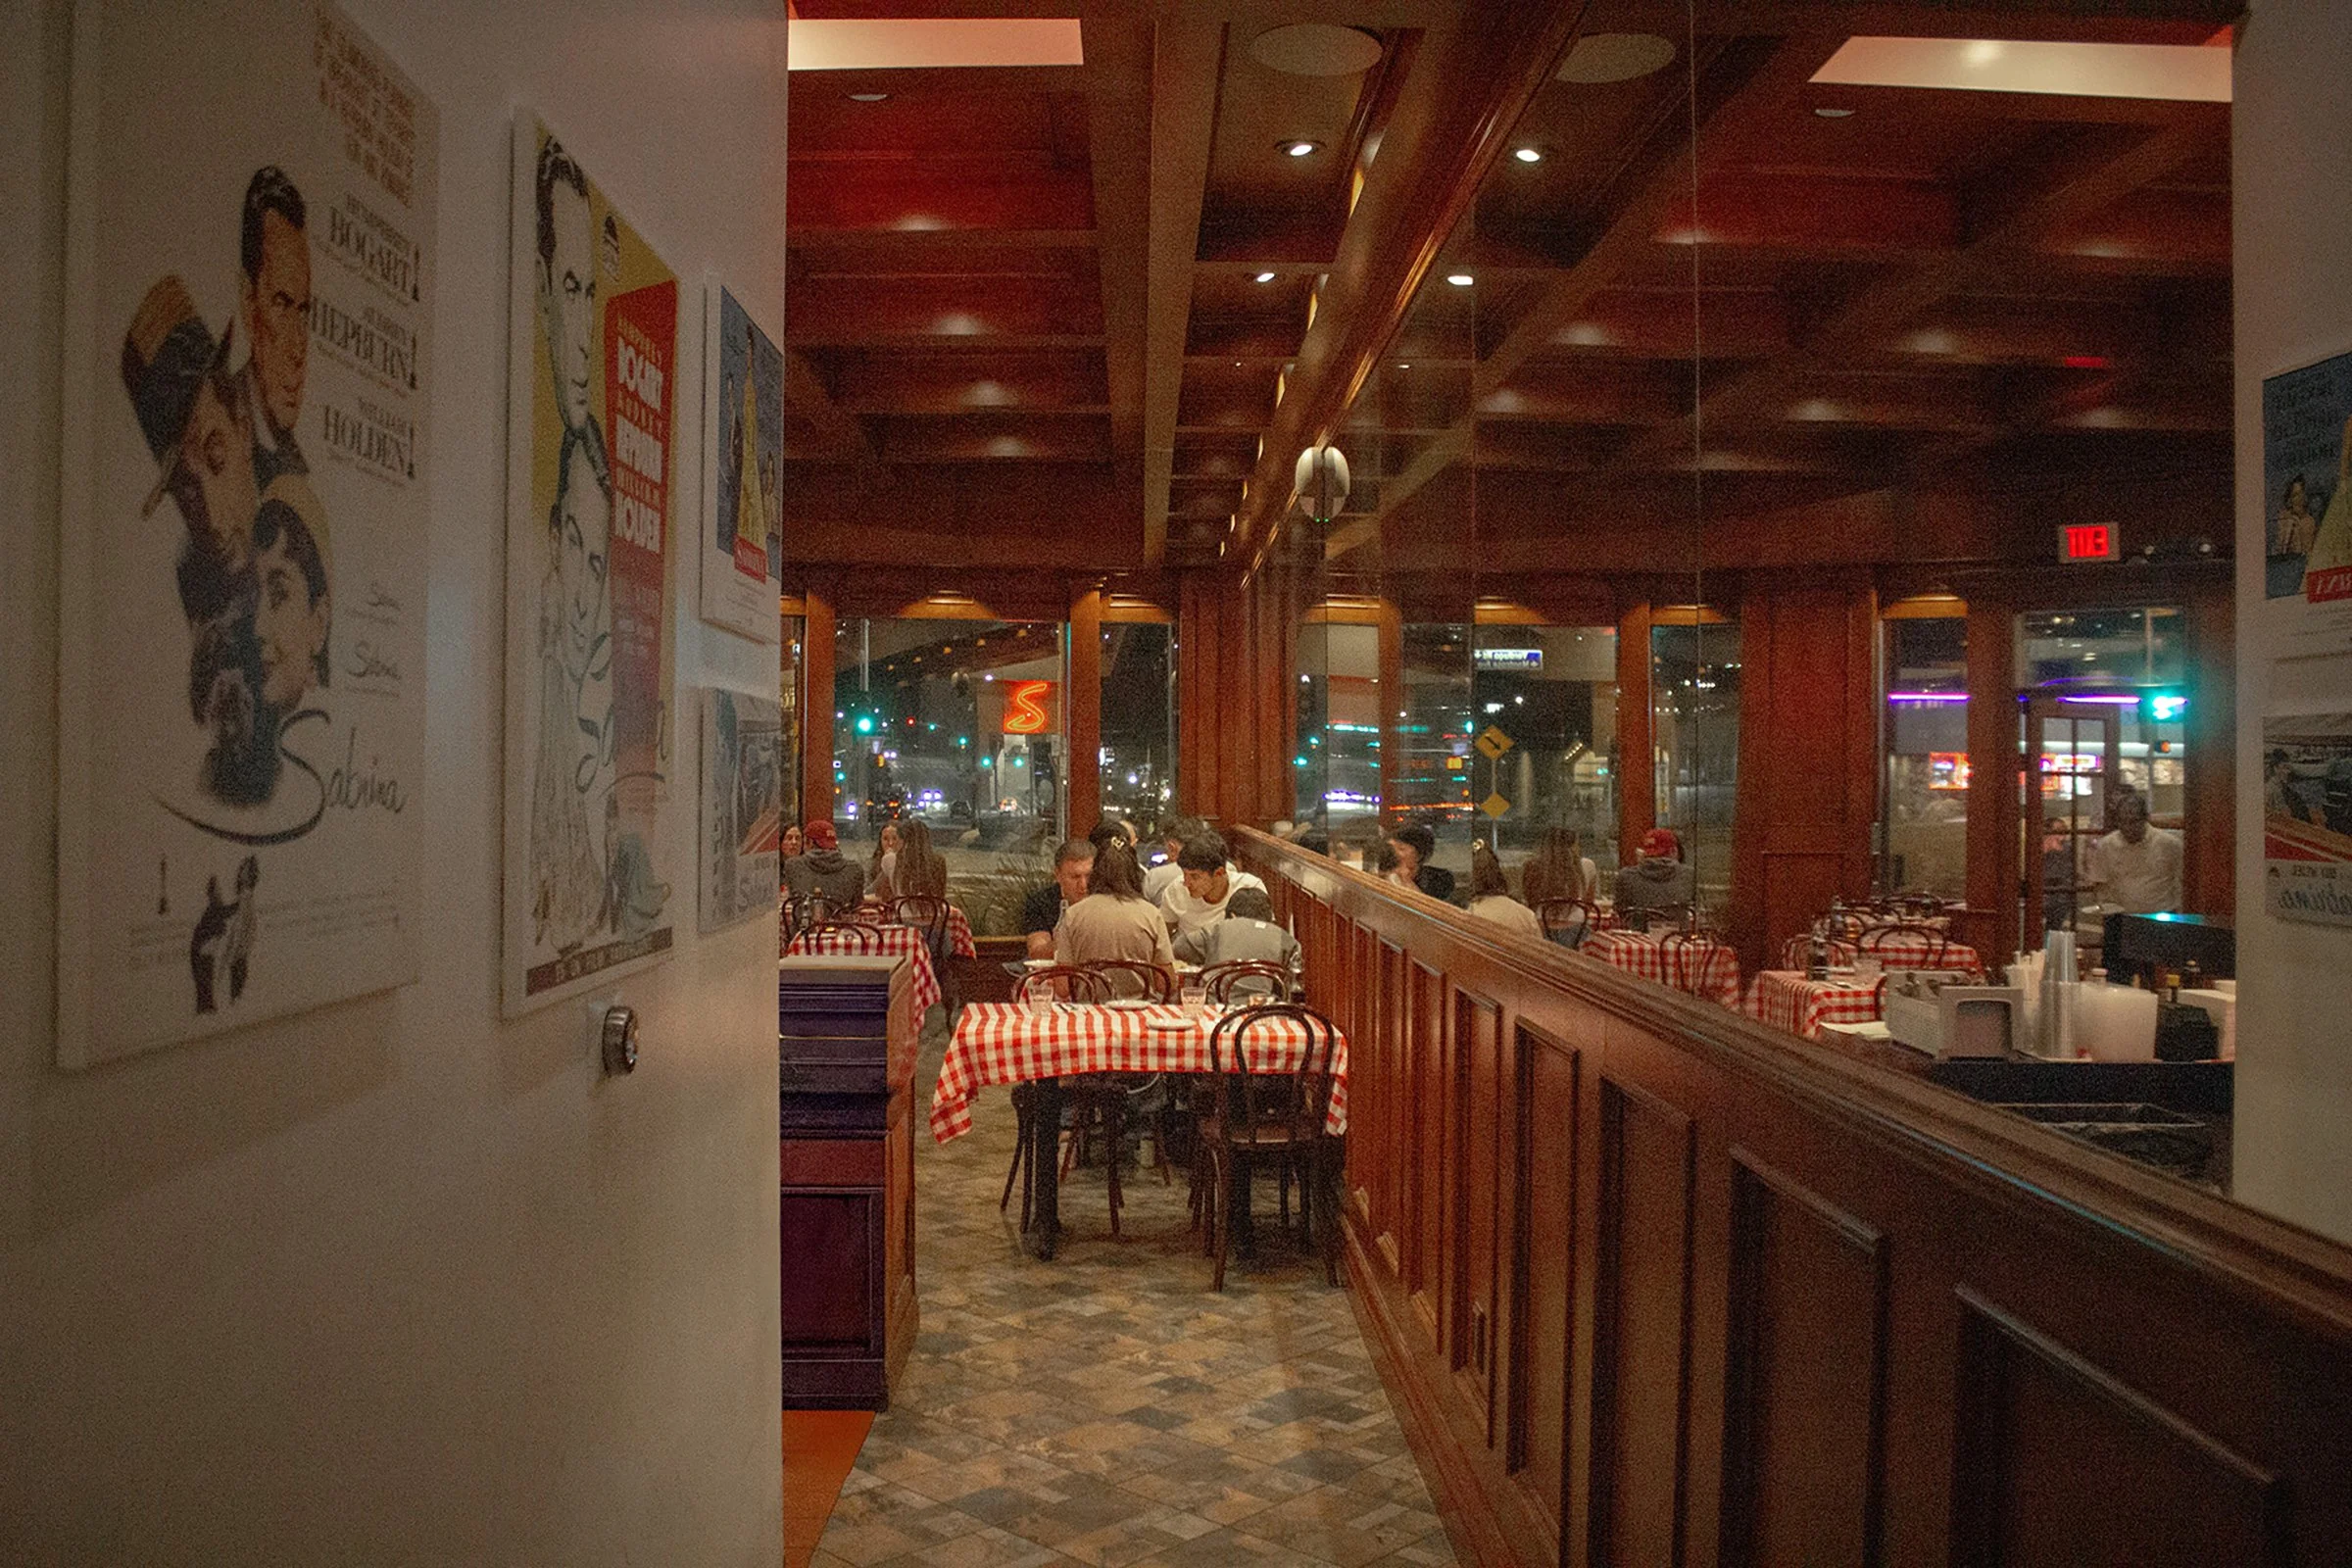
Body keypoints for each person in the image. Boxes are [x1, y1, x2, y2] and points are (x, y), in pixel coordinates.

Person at [236, 167, 314, 495]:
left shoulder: (295, 470)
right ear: (248, 300)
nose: (298, 348)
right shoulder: (222, 439)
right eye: (281, 304)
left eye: (304, 311)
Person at [1054, 841, 1176, 977]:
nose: (1083, 883)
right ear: (1135, 874)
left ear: (1096, 873)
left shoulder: (1073, 915)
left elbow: (1063, 987)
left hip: (1089, 998)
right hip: (1142, 998)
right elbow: (1167, 982)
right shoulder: (1152, 914)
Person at [1174, 886, 1299, 984]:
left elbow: (1178, 948)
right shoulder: (1287, 940)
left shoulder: (1218, 929)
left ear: (1232, 916)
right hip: (1265, 1009)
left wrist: (1211, 956)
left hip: (1218, 1005)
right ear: (1269, 917)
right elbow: (1293, 979)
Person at [2085, 789, 2182, 914]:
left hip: (2161, 914)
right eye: (2123, 821)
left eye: (2133, 822)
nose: (2128, 828)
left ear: (2146, 818)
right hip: (2119, 916)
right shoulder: (2106, 845)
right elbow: (2099, 882)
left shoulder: (2169, 844)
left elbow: (2183, 880)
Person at [1158, 831, 1267, 939]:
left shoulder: (1250, 887)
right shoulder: (1176, 889)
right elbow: (1162, 935)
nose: (1186, 883)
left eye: (1195, 876)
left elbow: (1264, 936)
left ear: (1219, 873)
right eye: (1184, 874)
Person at [1023, 838, 1096, 959]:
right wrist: (1068, 938)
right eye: (1075, 877)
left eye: (1089, 876)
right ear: (1058, 875)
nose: (1083, 885)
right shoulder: (1041, 901)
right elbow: (1037, 953)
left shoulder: (1105, 899)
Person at [1613, 827, 1695, 920]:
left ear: (1643, 853)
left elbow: (1619, 912)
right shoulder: (1689, 875)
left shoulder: (1626, 876)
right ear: (1674, 851)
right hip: (1678, 933)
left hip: (1637, 933)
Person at [1465, 847, 1544, 941]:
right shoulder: (1526, 916)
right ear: (1500, 875)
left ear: (1471, 880)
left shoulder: (1467, 917)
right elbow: (1539, 953)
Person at [782, 819, 865, 908]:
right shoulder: (854, 870)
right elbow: (857, 906)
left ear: (808, 842)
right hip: (842, 922)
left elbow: (792, 903)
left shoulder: (793, 866)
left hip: (805, 922)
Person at [1520, 826, 1599, 907]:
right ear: (1574, 845)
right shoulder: (1588, 865)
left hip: (1540, 917)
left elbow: (1528, 898)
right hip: (1577, 918)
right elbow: (1589, 903)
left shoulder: (1531, 865)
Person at [1386, 821, 1456, 903]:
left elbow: (1429, 910)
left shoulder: (1440, 879)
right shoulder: (1380, 872)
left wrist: (1405, 879)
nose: (1393, 853)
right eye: (1390, 848)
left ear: (1420, 855)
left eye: (1401, 849)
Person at [1141, 815, 1202, 904]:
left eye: (1165, 847)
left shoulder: (1156, 876)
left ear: (1172, 848)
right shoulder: (1223, 871)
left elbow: (1144, 913)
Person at [892, 818, 949, 901]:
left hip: (902, 912)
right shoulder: (939, 861)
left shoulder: (893, 860)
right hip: (935, 912)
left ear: (902, 840)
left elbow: (882, 893)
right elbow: (941, 894)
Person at [866, 819, 903, 899]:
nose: (890, 843)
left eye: (894, 839)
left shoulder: (906, 864)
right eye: (885, 839)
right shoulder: (875, 862)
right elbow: (869, 890)